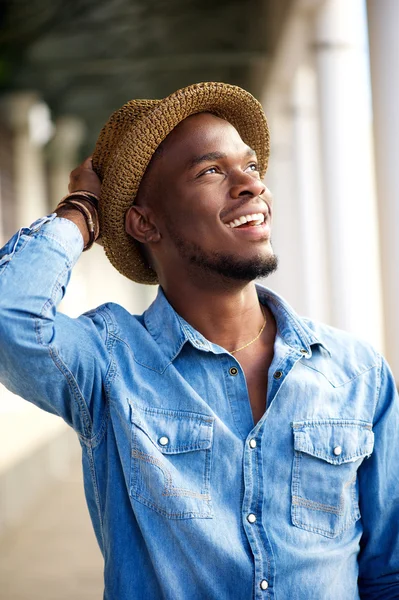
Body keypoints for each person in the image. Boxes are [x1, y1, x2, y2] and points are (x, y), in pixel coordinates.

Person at [0, 82, 398, 600]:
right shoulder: (112, 363)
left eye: (251, 167)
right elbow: (11, 315)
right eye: (211, 171)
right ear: (145, 223)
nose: (251, 186)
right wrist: (81, 209)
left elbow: (387, 574)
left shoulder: (356, 371)